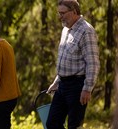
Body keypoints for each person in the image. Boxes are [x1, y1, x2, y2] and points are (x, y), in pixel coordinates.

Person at [46, 0, 99, 128]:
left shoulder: (87, 31)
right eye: (59, 13)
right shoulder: (65, 29)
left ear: (74, 11)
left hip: (77, 87)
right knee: (52, 123)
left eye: (63, 13)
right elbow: (66, 60)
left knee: (74, 125)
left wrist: (87, 89)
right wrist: (57, 81)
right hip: (62, 85)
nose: (60, 17)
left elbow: (93, 63)